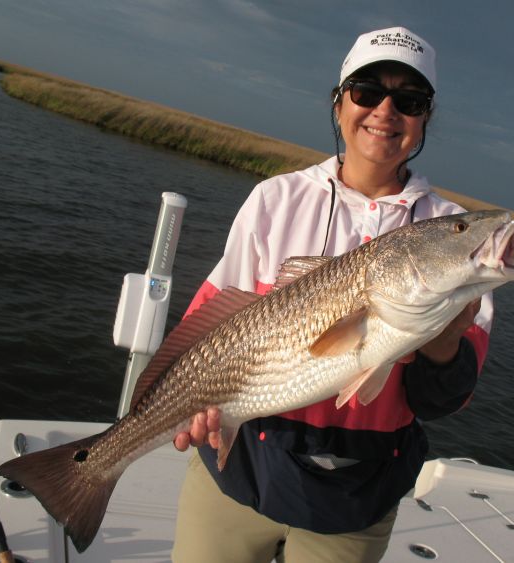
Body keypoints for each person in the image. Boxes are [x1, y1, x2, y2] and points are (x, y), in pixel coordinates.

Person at [171, 26, 493, 563]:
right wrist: (196, 401)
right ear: (339, 103)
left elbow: (443, 402)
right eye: (367, 92)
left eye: (410, 101)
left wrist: (444, 342)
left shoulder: (451, 231)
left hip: (357, 500)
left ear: (425, 118)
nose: (385, 112)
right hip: (238, 469)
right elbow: (207, 325)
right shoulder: (275, 199)